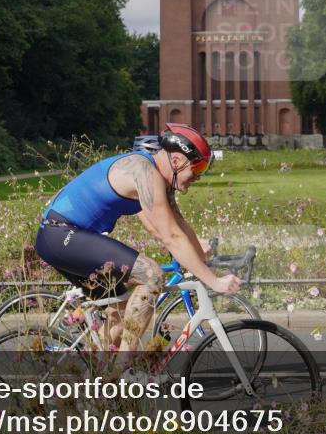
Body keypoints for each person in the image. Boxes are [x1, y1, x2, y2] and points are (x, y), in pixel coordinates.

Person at [34, 123, 241, 353]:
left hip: (64, 236)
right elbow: (171, 236)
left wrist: (200, 258)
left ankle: (96, 377)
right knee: (152, 276)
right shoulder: (144, 172)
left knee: (121, 318)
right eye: (197, 169)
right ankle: (123, 372)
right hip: (61, 234)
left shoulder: (160, 178)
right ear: (176, 161)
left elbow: (180, 226)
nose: (198, 178)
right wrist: (214, 281)